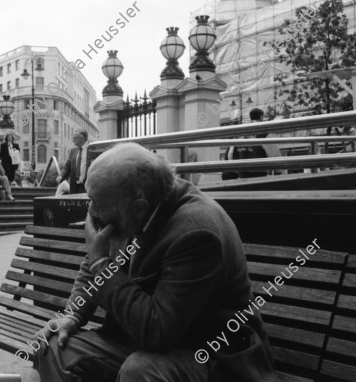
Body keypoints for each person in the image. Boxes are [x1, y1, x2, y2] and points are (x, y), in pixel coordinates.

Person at [36, 142, 276, 382]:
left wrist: (101, 265)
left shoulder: (197, 231)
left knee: (140, 370)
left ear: (138, 208)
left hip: (213, 354)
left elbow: (157, 333)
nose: (92, 211)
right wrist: (73, 315)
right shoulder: (134, 208)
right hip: (147, 342)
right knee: (52, 347)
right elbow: (95, 264)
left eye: (97, 203)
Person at [57, 128, 89, 194]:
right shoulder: (73, 151)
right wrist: (61, 176)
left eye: (75, 138)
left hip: (87, 187)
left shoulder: (92, 150)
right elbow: (67, 166)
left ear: (82, 138)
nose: (72, 140)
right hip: (74, 187)